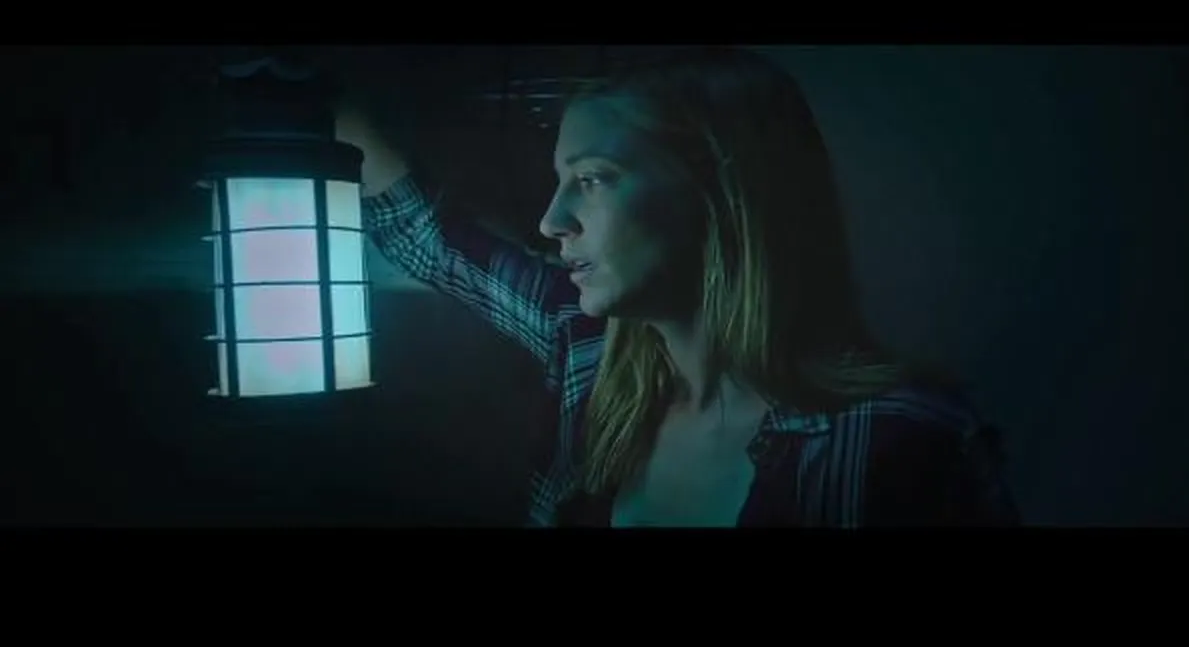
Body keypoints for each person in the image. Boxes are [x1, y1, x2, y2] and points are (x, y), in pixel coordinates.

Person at [338, 46, 1019, 527]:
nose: (552, 221)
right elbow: (431, 237)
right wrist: (322, 87)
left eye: (592, 178)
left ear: (718, 190)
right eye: (560, 179)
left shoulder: (900, 441)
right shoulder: (587, 356)